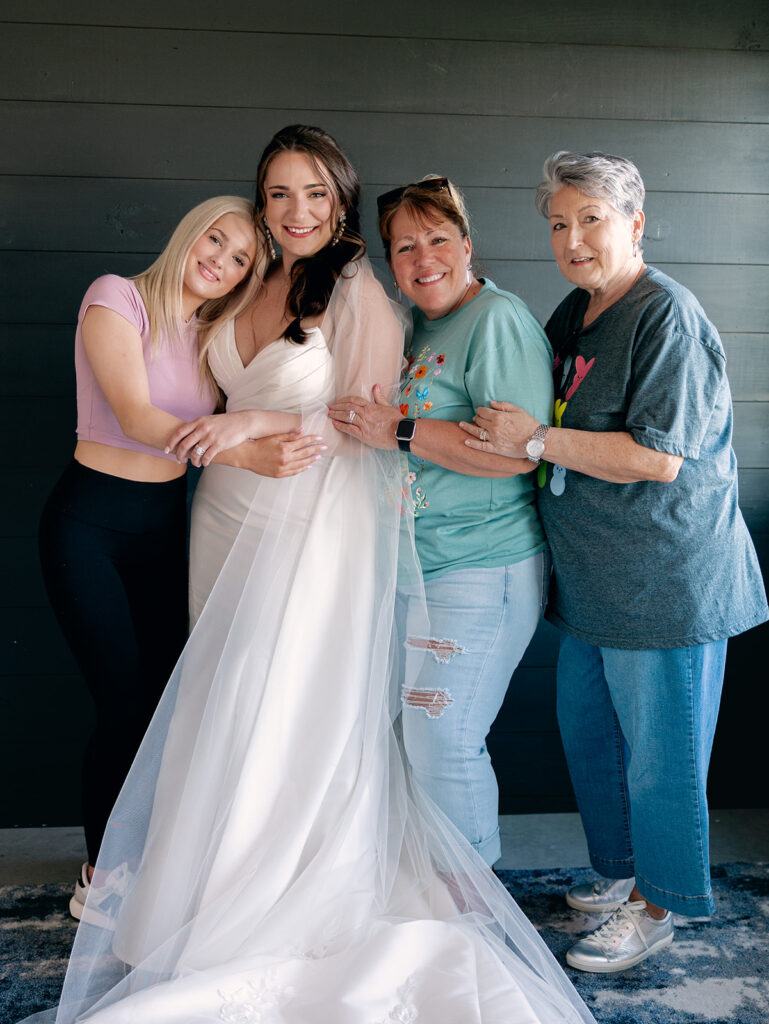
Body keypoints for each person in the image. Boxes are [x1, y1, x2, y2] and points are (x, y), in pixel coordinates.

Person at [29, 130, 594, 1024]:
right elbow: (184, 404)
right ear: (261, 204)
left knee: (279, 691)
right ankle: (203, 881)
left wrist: (245, 431)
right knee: (215, 694)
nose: (297, 213)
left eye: (316, 197)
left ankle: (280, 884)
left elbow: (364, 420)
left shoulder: (362, 289)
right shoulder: (242, 281)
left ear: (339, 203)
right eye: (279, 195)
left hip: (309, 518)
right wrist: (234, 440)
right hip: (217, 512)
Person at [459, 151, 768, 972]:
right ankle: (625, 874)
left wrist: (530, 440)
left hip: (666, 579)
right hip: (593, 578)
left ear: (634, 221)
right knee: (593, 737)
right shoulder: (578, 311)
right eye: (558, 224)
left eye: (589, 219)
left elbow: (656, 458)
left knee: (663, 758)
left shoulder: (665, 314)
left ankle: (657, 905)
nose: (572, 238)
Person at [38, 195, 324, 922]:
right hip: (90, 526)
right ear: (189, 232)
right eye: (216, 241)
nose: (220, 262)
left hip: (166, 527)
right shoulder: (116, 298)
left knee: (172, 705)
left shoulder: (211, 334)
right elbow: (136, 416)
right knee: (124, 704)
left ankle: (157, 857)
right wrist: (254, 452)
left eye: (238, 261)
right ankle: (100, 880)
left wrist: (281, 417)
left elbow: (271, 398)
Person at [329, 175, 553, 869]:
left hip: (480, 568)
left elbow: (514, 458)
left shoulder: (496, 320)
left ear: (465, 244)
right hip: (414, 567)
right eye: (403, 246)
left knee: (443, 739)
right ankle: (432, 889)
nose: (422, 258)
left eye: (435, 239)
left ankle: (475, 916)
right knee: (409, 741)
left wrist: (397, 429)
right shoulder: (417, 325)